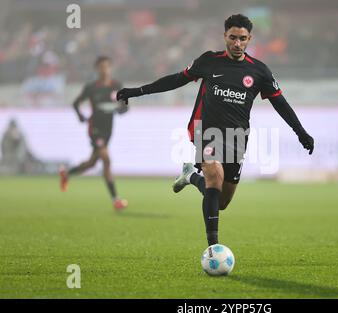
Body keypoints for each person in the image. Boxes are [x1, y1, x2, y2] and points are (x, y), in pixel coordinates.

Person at [116, 14, 314, 244]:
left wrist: (300, 131)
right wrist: (137, 91)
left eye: (242, 38)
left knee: (222, 202)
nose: (237, 43)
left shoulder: (260, 71)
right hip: (206, 131)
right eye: (232, 38)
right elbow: (176, 80)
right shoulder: (209, 61)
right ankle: (213, 248)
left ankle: (190, 175)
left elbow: (280, 103)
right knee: (213, 177)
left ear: (250, 38)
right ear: (224, 36)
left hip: (237, 137)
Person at [60, 56, 129, 210]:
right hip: (95, 128)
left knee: (92, 163)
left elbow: (125, 107)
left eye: (106, 66)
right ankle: (115, 200)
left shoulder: (116, 85)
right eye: (101, 67)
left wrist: (119, 109)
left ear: (110, 68)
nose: (104, 70)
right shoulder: (91, 88)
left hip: (108, 129)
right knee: (106, 159)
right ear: (97, 69)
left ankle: (66, 174)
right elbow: (76, 103)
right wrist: (80, 117)